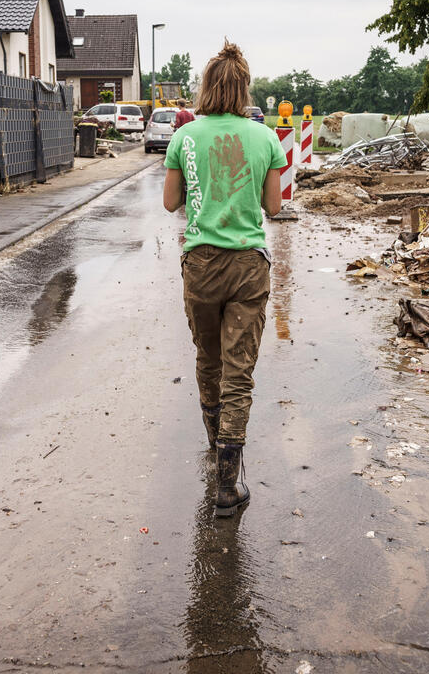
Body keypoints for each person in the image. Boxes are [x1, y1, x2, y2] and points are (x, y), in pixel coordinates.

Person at [162, 41, 286, 517]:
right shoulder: (266, 139)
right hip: (248, 267)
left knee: (208, 360)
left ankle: (216, 449)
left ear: (207, 87)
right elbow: (274, 208)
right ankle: (227, 487)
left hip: (201, 265)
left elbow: (172, 202)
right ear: (243, 89)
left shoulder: (185, 137)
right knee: (240, 373)